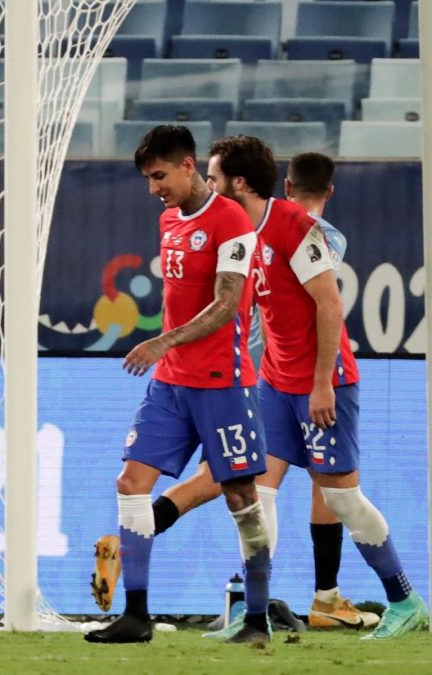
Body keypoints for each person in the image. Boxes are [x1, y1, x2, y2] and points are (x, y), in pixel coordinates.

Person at [92, 152, 377, 629]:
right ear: (329, 191)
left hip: (256, 367)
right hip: (280, 371)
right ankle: (298, 599)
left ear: (284, 186)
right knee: (301, 488)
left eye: (213, 177)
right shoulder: (322, 237)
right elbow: (318, 301)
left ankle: (251, 596)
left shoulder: (241, 226)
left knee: (239, 484)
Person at [204, 135, 427, 640]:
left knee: (343, 501)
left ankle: (403, 598)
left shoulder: (295, 227)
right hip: (276, 383)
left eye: (214, 178)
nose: (209, 186)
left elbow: (329, 305)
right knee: (257, 495)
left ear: (239, 183)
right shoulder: (241, 231)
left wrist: (322, 384)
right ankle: (250, 610)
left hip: (323, 385)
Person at [84, 125, 272, 645]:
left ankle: (256, 619)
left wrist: (162, 342)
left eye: (159, 176)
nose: (154, 188)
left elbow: (228, 303)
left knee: (241, 496)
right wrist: (168, 353)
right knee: (130, 484)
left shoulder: (231, 219)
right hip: (170, 385)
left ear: (188, 164)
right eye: (148, 179)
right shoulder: (168, 220)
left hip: (222, 383)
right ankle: (136, 616)